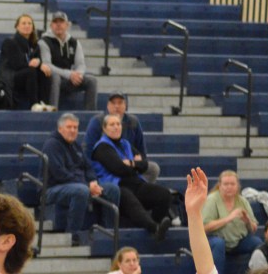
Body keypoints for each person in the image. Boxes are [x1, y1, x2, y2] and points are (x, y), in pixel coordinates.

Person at [90, 113, 173, 241]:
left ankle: (156, 226)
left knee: (164, 194)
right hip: (116, 186)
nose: (116, 127)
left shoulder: (125, 144)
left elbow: (145, 164)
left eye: (118, 124)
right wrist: (134, 165)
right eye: (112, 124)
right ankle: (154, 228)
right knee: (130, 199)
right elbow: (118, 168)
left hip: (135, 182)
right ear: (104, 128)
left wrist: (132, 163)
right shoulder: (102, 147)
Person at [42, 113, 120, 241]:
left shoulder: (76, 145)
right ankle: (72, 235)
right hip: (53, 189)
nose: (73, 130)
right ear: (60, 128)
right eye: (69, 127)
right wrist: (87, 185)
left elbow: (88, 167)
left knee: (112, 189)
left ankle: (107, 232)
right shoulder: (52, 145)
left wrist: (93, 181)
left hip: (81, 185)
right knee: (81, 191)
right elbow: (59, 174)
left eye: (75, 127)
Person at [84, 93, 160, 184]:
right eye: (113, 103)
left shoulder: (133, 122)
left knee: (153, 168)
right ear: (108, 106)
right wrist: (92, 177)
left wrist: (137, 163)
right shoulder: (97, 122)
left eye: (120, 103)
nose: (117, 106)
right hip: (107, 167)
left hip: (130, 164)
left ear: (125, 106)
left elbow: (141, 151)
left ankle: (141, 191)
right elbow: (88, 151)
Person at [203, 170, 262, 274]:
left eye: (232, 184)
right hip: (215, 240)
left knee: (258, 243)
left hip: (238, 241)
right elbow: (204, 227)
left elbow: (253, 229)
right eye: (226, 184)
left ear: (238, 186)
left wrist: (247, 221)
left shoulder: (242, 201)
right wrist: (229, 218)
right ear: (220, 185)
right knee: (218, 243)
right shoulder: (212, 199)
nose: (229, 187)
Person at [38, 11, 98, 110]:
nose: (58, 25)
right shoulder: (44, 42)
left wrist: (77, 75)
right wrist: (69, 74)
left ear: (67, 25)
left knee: (92, 80)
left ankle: (90, 114)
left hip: (68, 80)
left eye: (61, 22)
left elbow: (81, 64)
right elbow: (47, 65)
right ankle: (52, 111)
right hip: (48, 80)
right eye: (55, 22)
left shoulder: (74, 42)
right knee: (55, 77)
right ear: (51, 25)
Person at [0, 13, 52, 110]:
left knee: (45, 71)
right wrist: (37, 64)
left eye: (29, 23)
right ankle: (34, 104)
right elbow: (17, 64)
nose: (27, 26)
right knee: (31, 71)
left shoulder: (35, 45)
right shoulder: (9, 42)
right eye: (23, 23)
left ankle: (44, 103)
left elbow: (38, 63)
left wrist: (40, 64)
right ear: (17, 26)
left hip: (27, 76)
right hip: (11, 77)